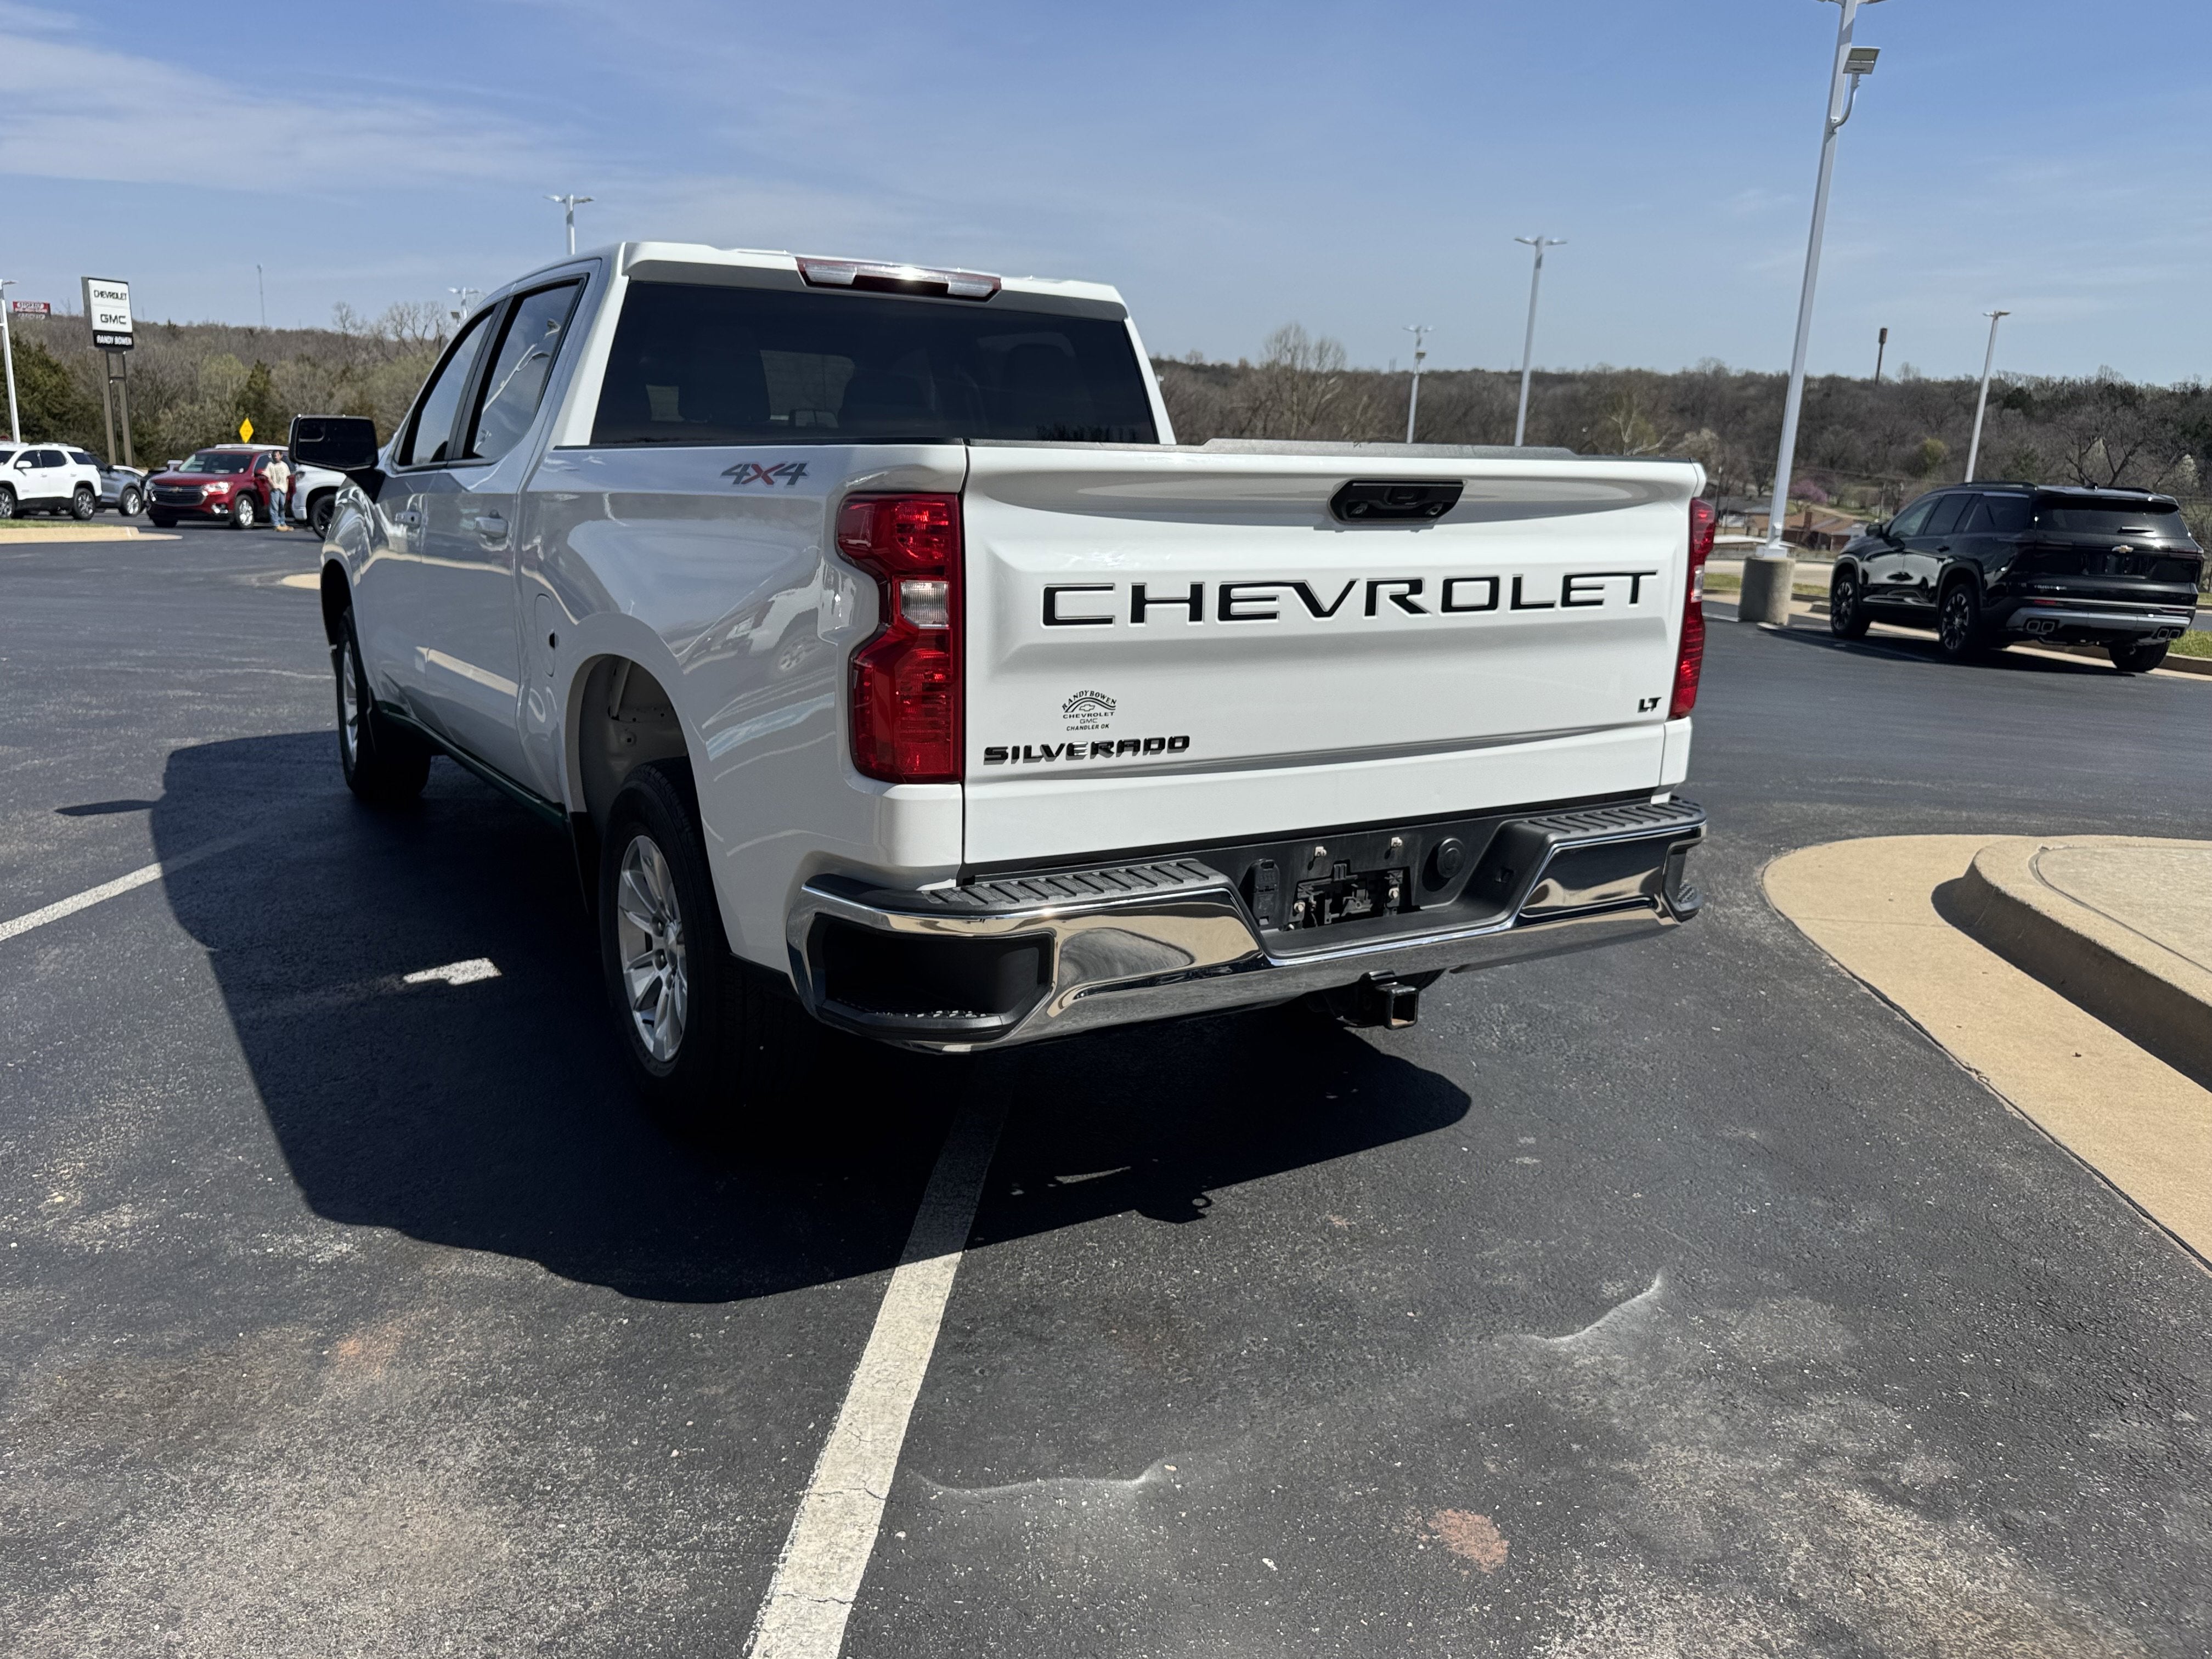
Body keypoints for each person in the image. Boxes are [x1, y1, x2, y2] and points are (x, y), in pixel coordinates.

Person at [264, 452, 291, 529]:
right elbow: (268, 477)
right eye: (274, 456)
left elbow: (287, 478)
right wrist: (273, 486)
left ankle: (283, 523)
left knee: (282, 506)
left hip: (283, 489)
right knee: (274, 507)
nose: (276, 457)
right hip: (275, 489)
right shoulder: (270, 465)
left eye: (277, 455)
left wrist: (287, 489)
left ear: (281, 456)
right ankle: (276, 524)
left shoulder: (284, 466)